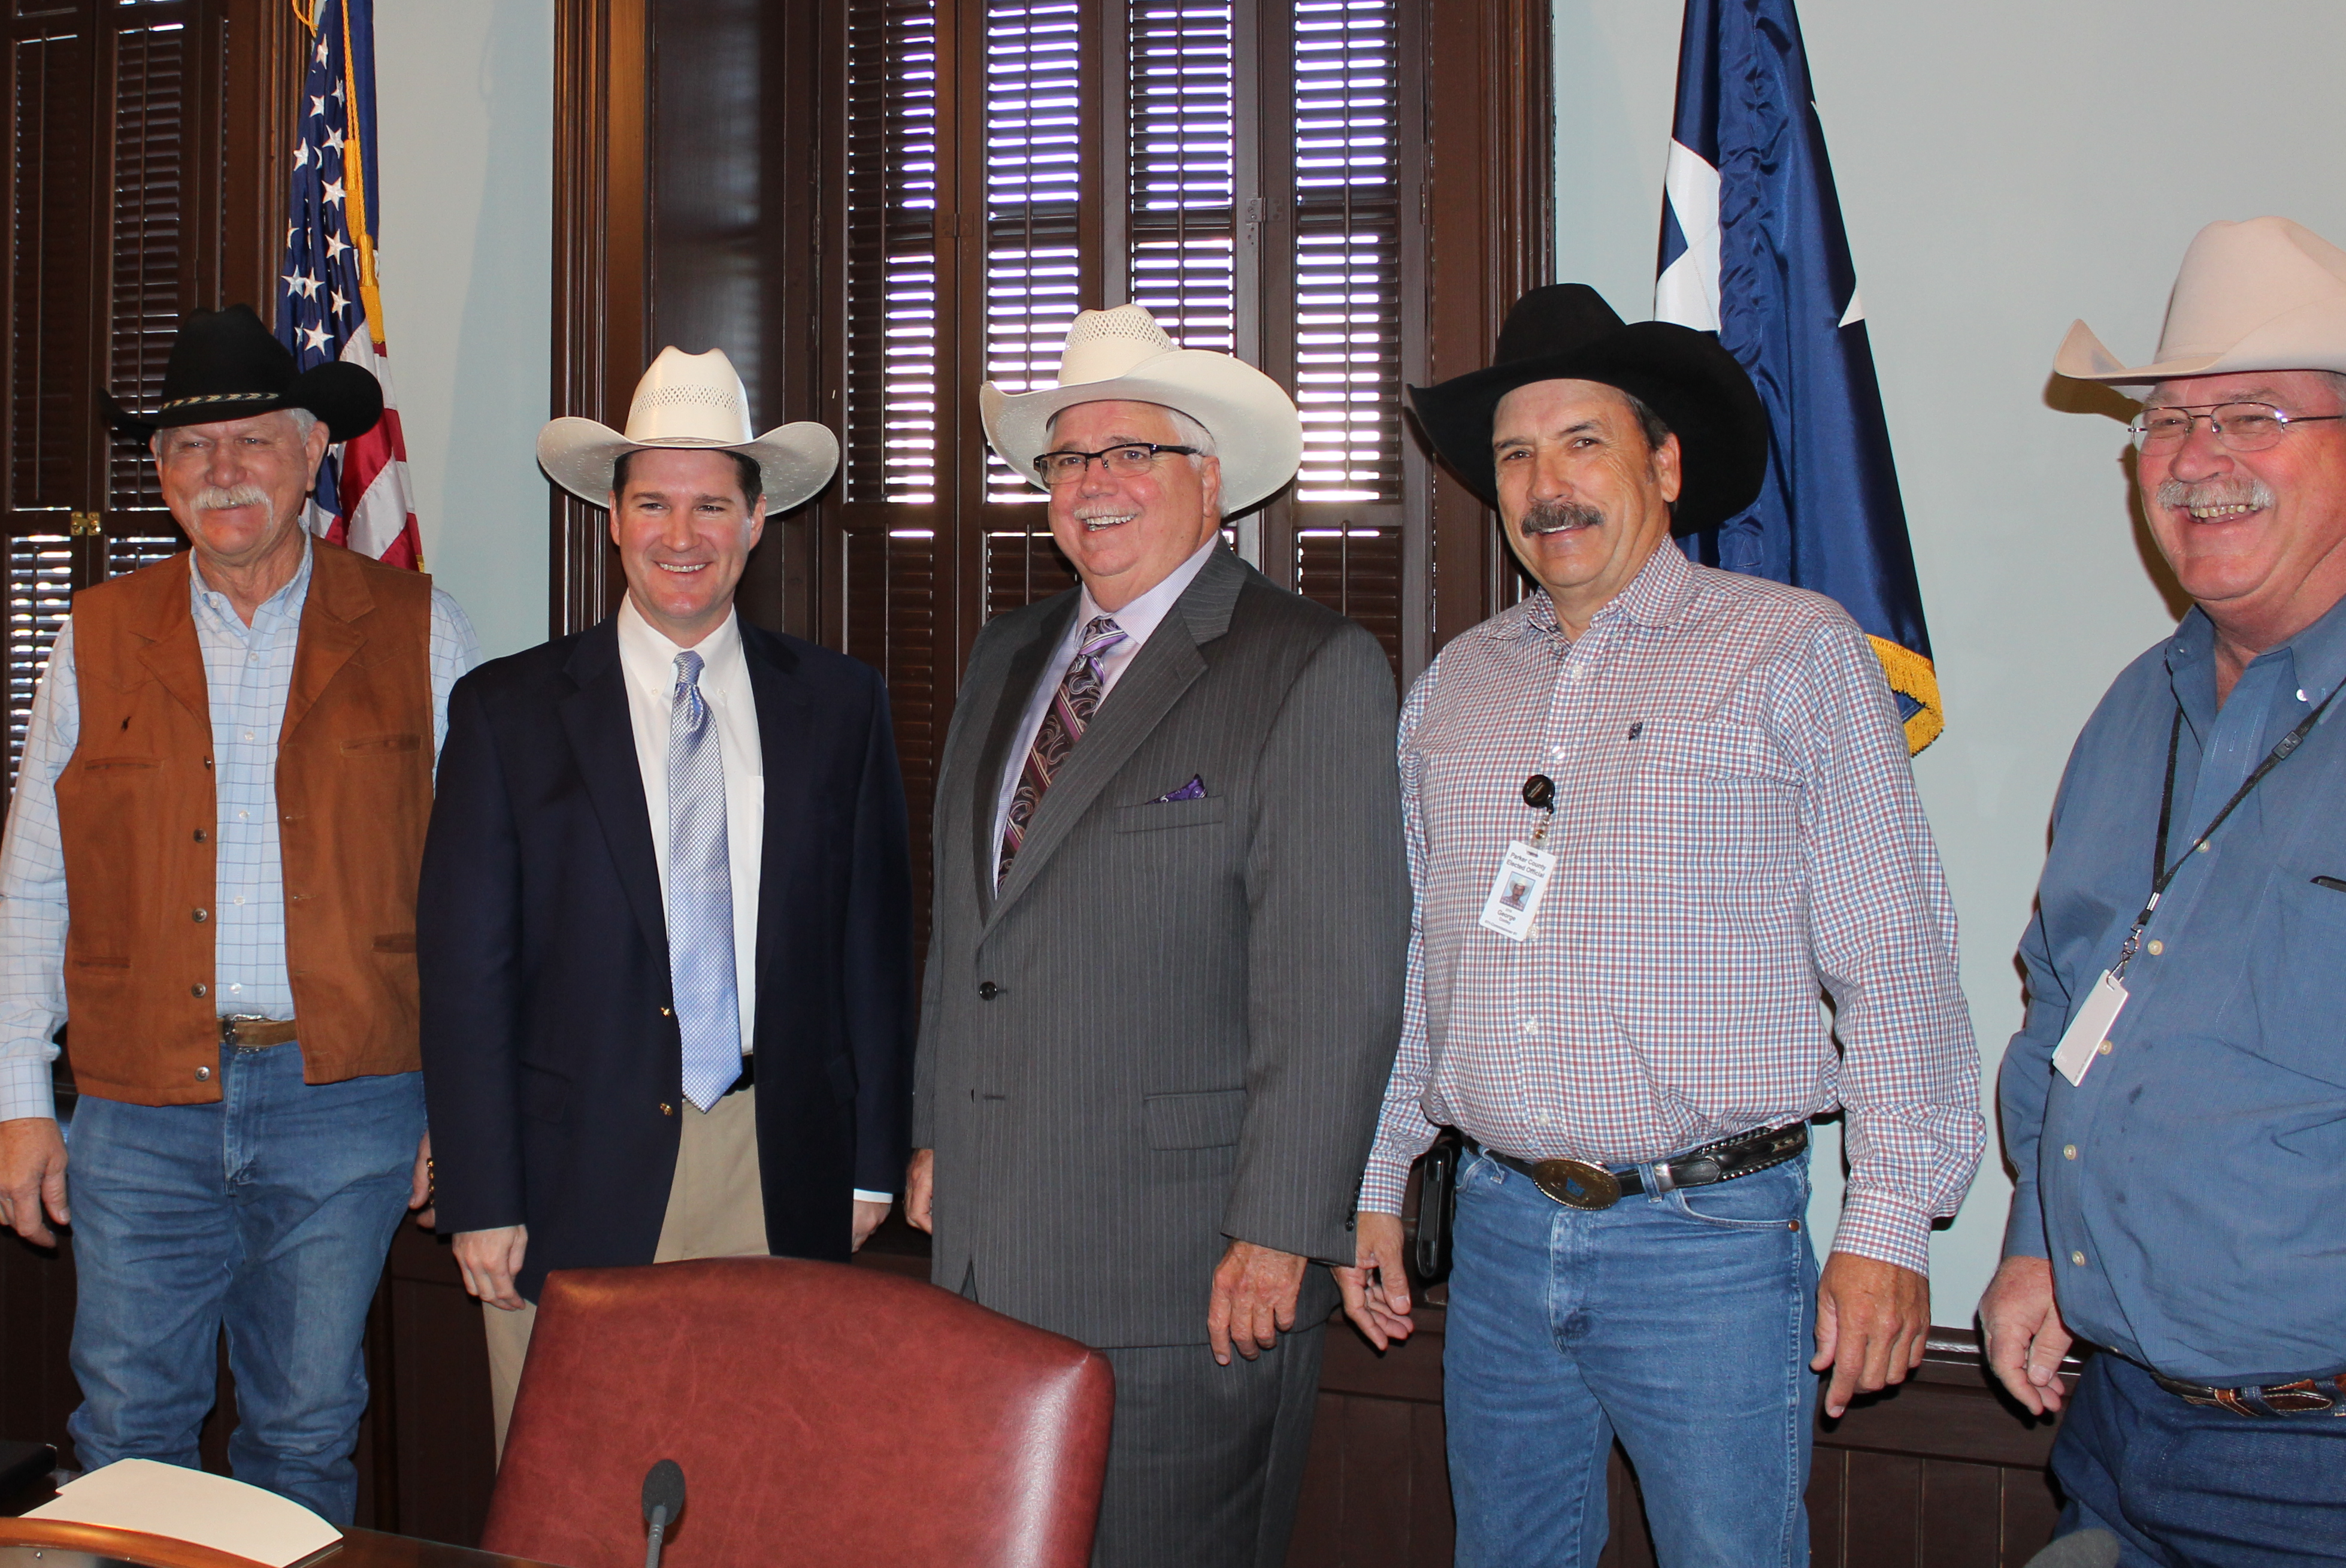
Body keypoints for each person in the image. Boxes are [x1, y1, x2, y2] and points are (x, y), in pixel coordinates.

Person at [1334, 283, 1982, 1568]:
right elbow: (1429, 967)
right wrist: (1380, 1178)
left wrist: (1890, 1223)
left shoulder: (1792, 651)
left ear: (1665, 465)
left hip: (1711, 1248)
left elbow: (1894, 954)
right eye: (1516, 456)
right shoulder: (1456, 688)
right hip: (1501, 1233)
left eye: (1583, 443)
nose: (1547, 487)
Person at [905, 305, 1408, 1568]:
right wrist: (935, 1129)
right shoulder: (1005, 654)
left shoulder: (1309, 666)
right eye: (1070, 458)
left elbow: (1337, 986)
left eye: (1133, 451)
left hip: (1185, 1274)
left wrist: (1281, 1227)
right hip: (985, 1254)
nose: (1096, 483)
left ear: (1211, 478)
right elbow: (967, 930)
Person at [0, 305, 477, 1521]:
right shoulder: (93, 637)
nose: (224, 470)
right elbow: (34, 880)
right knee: (125, 1435)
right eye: (193, 448)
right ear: (161, 474)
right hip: (140, 1107)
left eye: (253, 439)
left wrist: (468, 1111)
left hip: (347, 1105)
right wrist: (16, 1099)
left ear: (313, 454)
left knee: (304, 1433)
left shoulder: (422, 628)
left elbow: (475, 901)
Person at [419, 347, 912, 1454]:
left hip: (774, 1165)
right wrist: (481, 1193)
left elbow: (875, 952)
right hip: (568, 1176)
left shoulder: (841, 706)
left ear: (756, 520)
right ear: (613, 517)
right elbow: (464, 979)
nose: (680, 535)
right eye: (652, 504)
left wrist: (873, 1160)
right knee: (570, 1492)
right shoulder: (506, 713)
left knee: (761, 1485)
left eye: (710, 506)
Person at [1979, 216, 2346, 1566]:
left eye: (2256, 416)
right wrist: (2038, 1242)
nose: (2200, 459)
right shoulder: (2137, 710)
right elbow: (2067, 1004)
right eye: (2172, 423)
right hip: (2116, 1434)